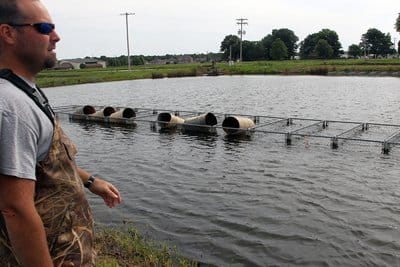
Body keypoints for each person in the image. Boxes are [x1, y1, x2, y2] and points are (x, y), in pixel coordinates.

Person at [0, 0, 122, 266]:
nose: (56, 37)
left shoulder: (23, 92)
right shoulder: (11, 106)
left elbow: (39, 165)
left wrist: (91, 182)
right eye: (44, 28)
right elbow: (14, 208)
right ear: (8, 33)